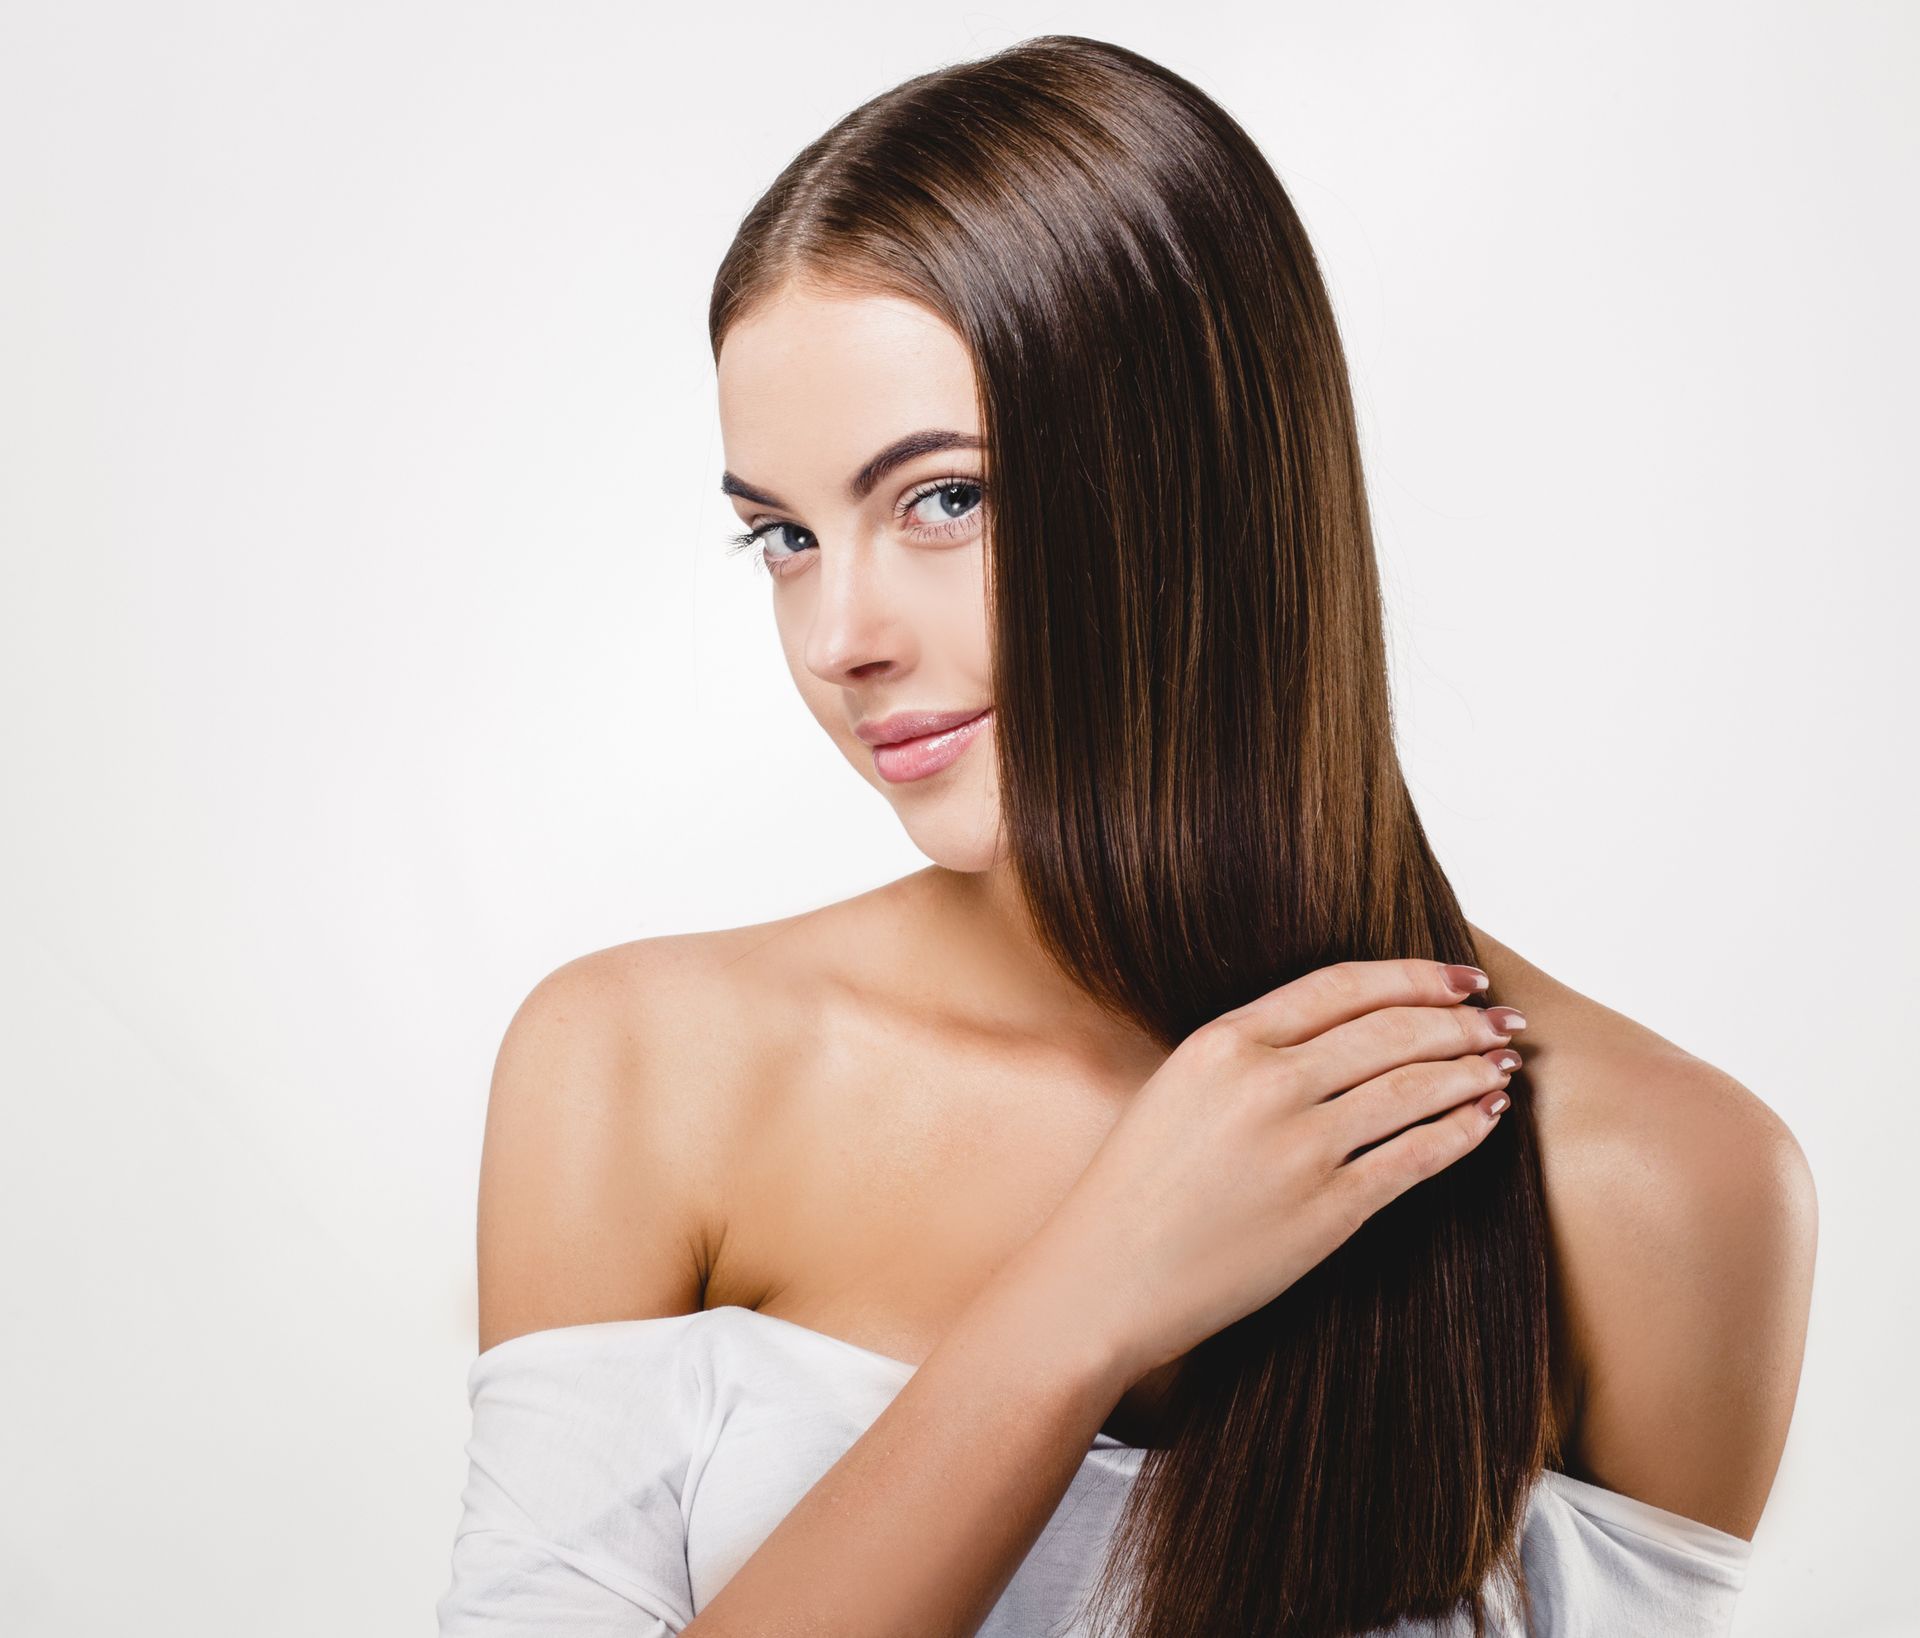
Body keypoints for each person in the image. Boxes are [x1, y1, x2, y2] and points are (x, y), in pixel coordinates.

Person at [436, 34, 1816, 1637]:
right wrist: (1076, 1309)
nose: (839, 635)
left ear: (1198, 484)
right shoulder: (642, 1067)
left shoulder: (1659, 1186)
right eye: (785, 537)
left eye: (942, 499)